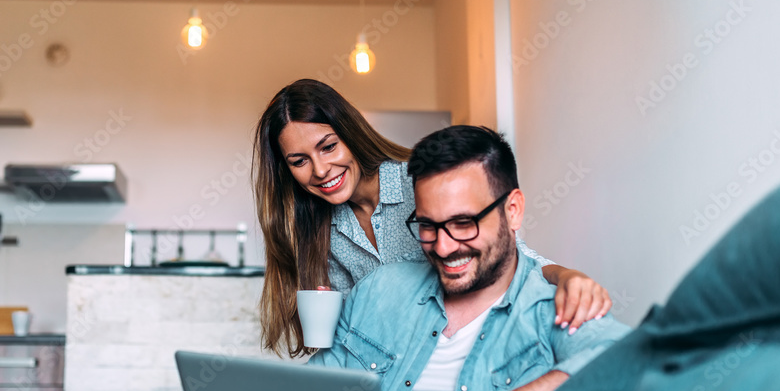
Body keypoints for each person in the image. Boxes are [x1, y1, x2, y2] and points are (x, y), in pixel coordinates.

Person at [34, 125, 631, 391]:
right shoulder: (384, 290)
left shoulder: (556, 304)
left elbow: (625, 364)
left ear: (513, 209)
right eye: (427, 227)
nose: (444, 247)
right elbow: (323, 390)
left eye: (463, 224)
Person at [253, 78, 612, 358]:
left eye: (328, 146)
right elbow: (348, 332)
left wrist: (567, 276)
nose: (320, 170)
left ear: (350, 135)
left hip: (468, 347)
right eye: (299, 161)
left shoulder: (420, 184)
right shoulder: (320, 230)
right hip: (399, 372)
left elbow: (509, 257)